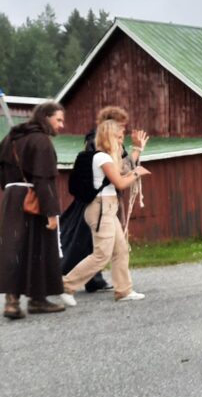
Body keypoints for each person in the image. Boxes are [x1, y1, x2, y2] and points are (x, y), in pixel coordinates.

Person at [60, 119, 150, 305]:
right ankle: (66, 285)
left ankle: (123, 291)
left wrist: (137, 150)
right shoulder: (102, 158)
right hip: (101, 209)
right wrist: (137, 173)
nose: (120, 141)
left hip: (107, 208)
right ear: (109, 137)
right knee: (102, 255)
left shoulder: (107, 157)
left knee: (120, 250)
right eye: (118, 137)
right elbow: (120, 182)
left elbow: (123, 169)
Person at [0, 101, 67, 318]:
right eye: (58, 119)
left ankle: (12, 302)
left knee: (14, 248)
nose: (62, 125)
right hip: (34, 199)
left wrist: (11, 189)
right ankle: (38, 300)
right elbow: (44, 179)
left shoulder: (10, 138)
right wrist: (51, 212)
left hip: (12, 197)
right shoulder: (41, 141)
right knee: (39, 249)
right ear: (45, 117)